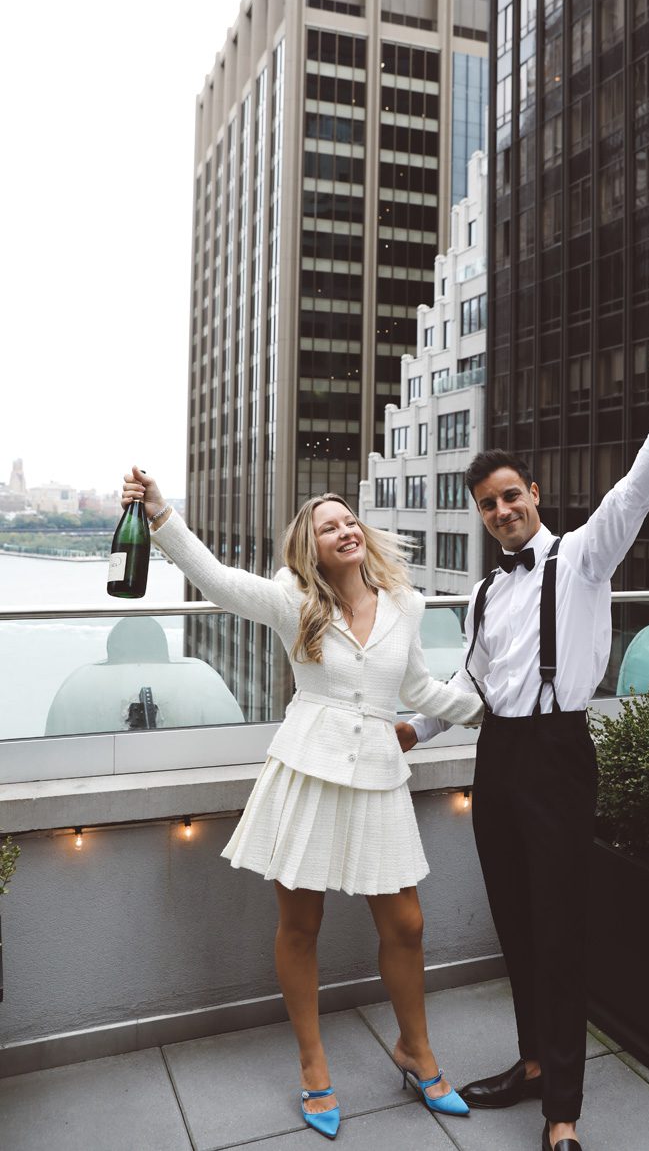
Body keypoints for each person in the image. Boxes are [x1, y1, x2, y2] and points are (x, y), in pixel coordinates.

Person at [397, 353, 649, 1151]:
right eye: (487, 505)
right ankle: (534, 1064)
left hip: (560, 755)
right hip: (498, 758)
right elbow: (473, 681)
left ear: (534, 494)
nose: (501, 511)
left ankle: (561, 1114)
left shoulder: (582, 557)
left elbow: (636, 490)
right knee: (516, 922)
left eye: (511, 496)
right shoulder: (482, 593)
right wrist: (414, 730)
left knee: (561, 929)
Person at [120, 471, 483, 1141]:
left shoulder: (405, 602)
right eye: (327, 526)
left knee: (406, 923)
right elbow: (220, 580)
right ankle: (314, 1066)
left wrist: (494, 713)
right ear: (310, 548)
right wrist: (163, 513)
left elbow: (421, 688)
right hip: (307, 771)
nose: (344, 529)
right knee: (301, 925)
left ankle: (416, 1051)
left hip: (377, 772)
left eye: (350, 521)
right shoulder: (293, 600)